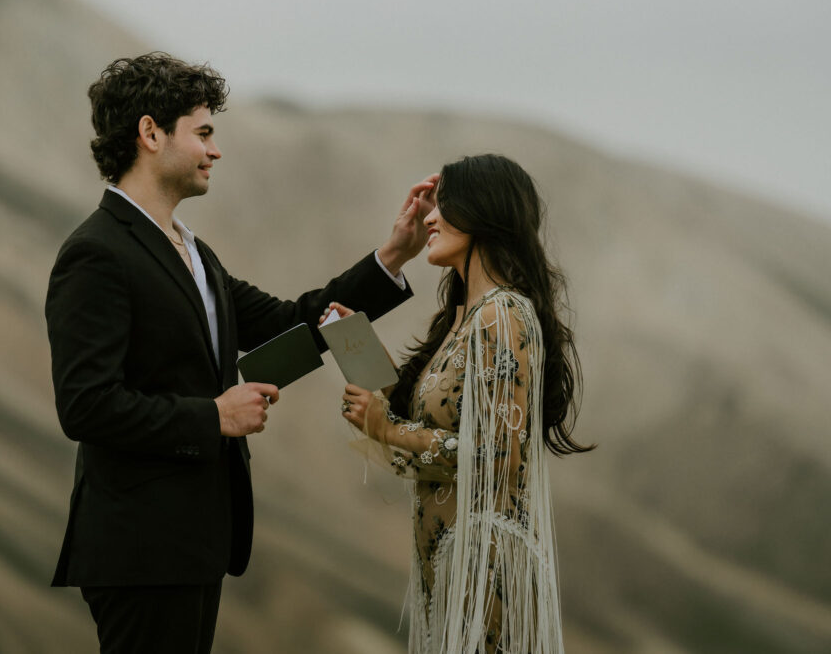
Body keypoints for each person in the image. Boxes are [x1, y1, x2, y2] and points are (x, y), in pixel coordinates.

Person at [44, 52, 433, 653]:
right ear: (151, 133)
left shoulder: (194, 253)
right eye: (203, 133)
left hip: (195, 542)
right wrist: (215, 416)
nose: (214, 150)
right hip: (141, 549)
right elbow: (86, 406)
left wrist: (393, 257)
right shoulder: (96, 254)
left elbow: (289, 324)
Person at [329, 154, 594, 653]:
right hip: (448, 571)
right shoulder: (464, 318)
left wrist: (385, 428)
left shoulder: (503, 314)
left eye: (444, 206)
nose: (429, 218)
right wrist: (377, 377)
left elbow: (494, 456)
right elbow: (437, 438)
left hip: (486, 572)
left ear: (482, 213)